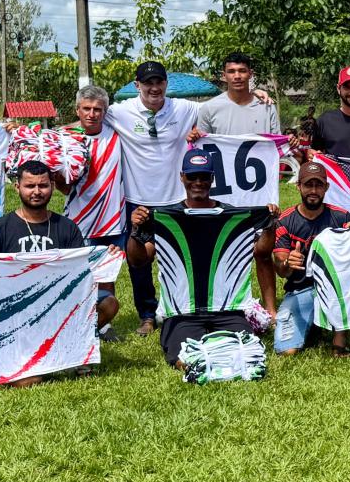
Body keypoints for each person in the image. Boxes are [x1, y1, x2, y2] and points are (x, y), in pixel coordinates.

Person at [0, 160, 114, 386]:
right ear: (17, 187)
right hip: (16, 317)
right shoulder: (1, 229)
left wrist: (105, 256)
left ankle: (71, 347)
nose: (36, 192)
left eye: (43, 186)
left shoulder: (66, 227)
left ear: (52, 186)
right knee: (30, 381)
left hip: (58, 311)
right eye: (29, 186)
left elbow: (83, 271)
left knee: (109, 303)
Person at [125, 149, 256, 368]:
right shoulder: (165, 217)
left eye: (204, 177)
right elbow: (139, 260)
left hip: (226, 307)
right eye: (192, 176)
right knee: (184, 359)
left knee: (247, 352)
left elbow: (260, 251)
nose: (198, 182)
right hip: (183, 309)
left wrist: (269, 223)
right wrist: (136, 230)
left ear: (212, 179)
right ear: (182, 177)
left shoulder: (232, 216)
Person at [106, 61, 199, 336]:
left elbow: (219, 109)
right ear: (137, 86)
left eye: (159, 82)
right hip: (138, 201)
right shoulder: (119, 112)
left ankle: (178, 310)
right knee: (139, 263)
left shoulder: (184, 108)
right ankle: (147, 315)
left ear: (166, 84)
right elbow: (89, 117)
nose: (154, 88)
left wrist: (257, 97)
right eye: (148, 83)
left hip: (175, 199)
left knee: (180, 259)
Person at [192, 52, 285, 321]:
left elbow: (273, 151)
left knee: (263, 252)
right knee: (223, 252)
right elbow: (203, 147)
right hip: (224, 193)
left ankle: (270, 308)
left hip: (257, 191)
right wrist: (195, 137)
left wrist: (272, 191)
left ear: (250, 74)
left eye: (242, 71)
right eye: (231, 71)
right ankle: (226, 304)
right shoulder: (209, 109)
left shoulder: (266, 106)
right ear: (224, 75)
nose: (237, 76)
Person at [271, 161, 350, 357]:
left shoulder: (340, 217)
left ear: (326, 187)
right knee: (286, 351)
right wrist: (287, 263)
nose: (313, 190)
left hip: (336, 291)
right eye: (308, 185)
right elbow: (281, 269)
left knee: (342, 282)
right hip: (301, 290)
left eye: (319, 185)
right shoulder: (285, 220)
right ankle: (314, 324)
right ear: (298, 186)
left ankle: (339, 341)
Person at [55, 85, 125, 342]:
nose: (92, 114)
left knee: (107, 274)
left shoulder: (118, 135)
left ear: (105, 112)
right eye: (87, 109)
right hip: (78, 220)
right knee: (81, 275)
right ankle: (77, 321)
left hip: (113, 218)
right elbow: (61, 184)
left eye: (98, 109)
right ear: (77, 110)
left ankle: (104, 325)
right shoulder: (64, 138)